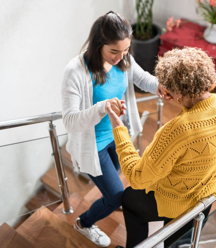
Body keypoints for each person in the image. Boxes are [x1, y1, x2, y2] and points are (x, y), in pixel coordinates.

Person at [106, 47, 216, 248]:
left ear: (177, 92)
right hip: (208, 192)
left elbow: (137, 177)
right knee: (177, 233)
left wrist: (118, 127)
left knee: (129, 198)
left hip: (175, 201)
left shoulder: (177, 131)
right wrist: (183, 103)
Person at [61, 11, 164, 247]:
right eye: (114, 51)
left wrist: (163, 86)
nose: (120, 57)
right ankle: (83, 223)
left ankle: (107, 200)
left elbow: (144, 79)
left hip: (117, 137)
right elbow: (69, 121)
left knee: (115, 182)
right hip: (93, 146)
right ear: (99, 44)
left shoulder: (124, 60)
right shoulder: (75, 72)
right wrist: (103, 107)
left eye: (125, 50)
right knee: (117, 195)